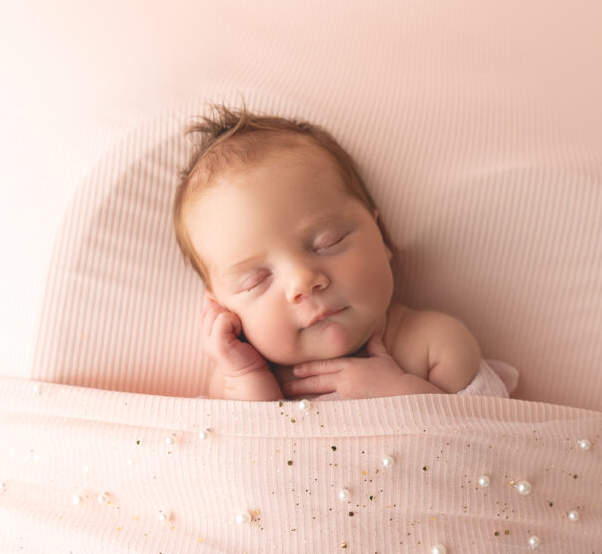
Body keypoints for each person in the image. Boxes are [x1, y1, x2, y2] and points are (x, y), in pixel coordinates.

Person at [172, 104, 514, 401]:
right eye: (255, 280)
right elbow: (234, 461)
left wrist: (402, 395)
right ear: (221, 307)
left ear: (383, 237)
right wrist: (249, 382)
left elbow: (491, 442)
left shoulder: (432, 345)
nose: (302, 282)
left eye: (328, 242)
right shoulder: (236, 379)